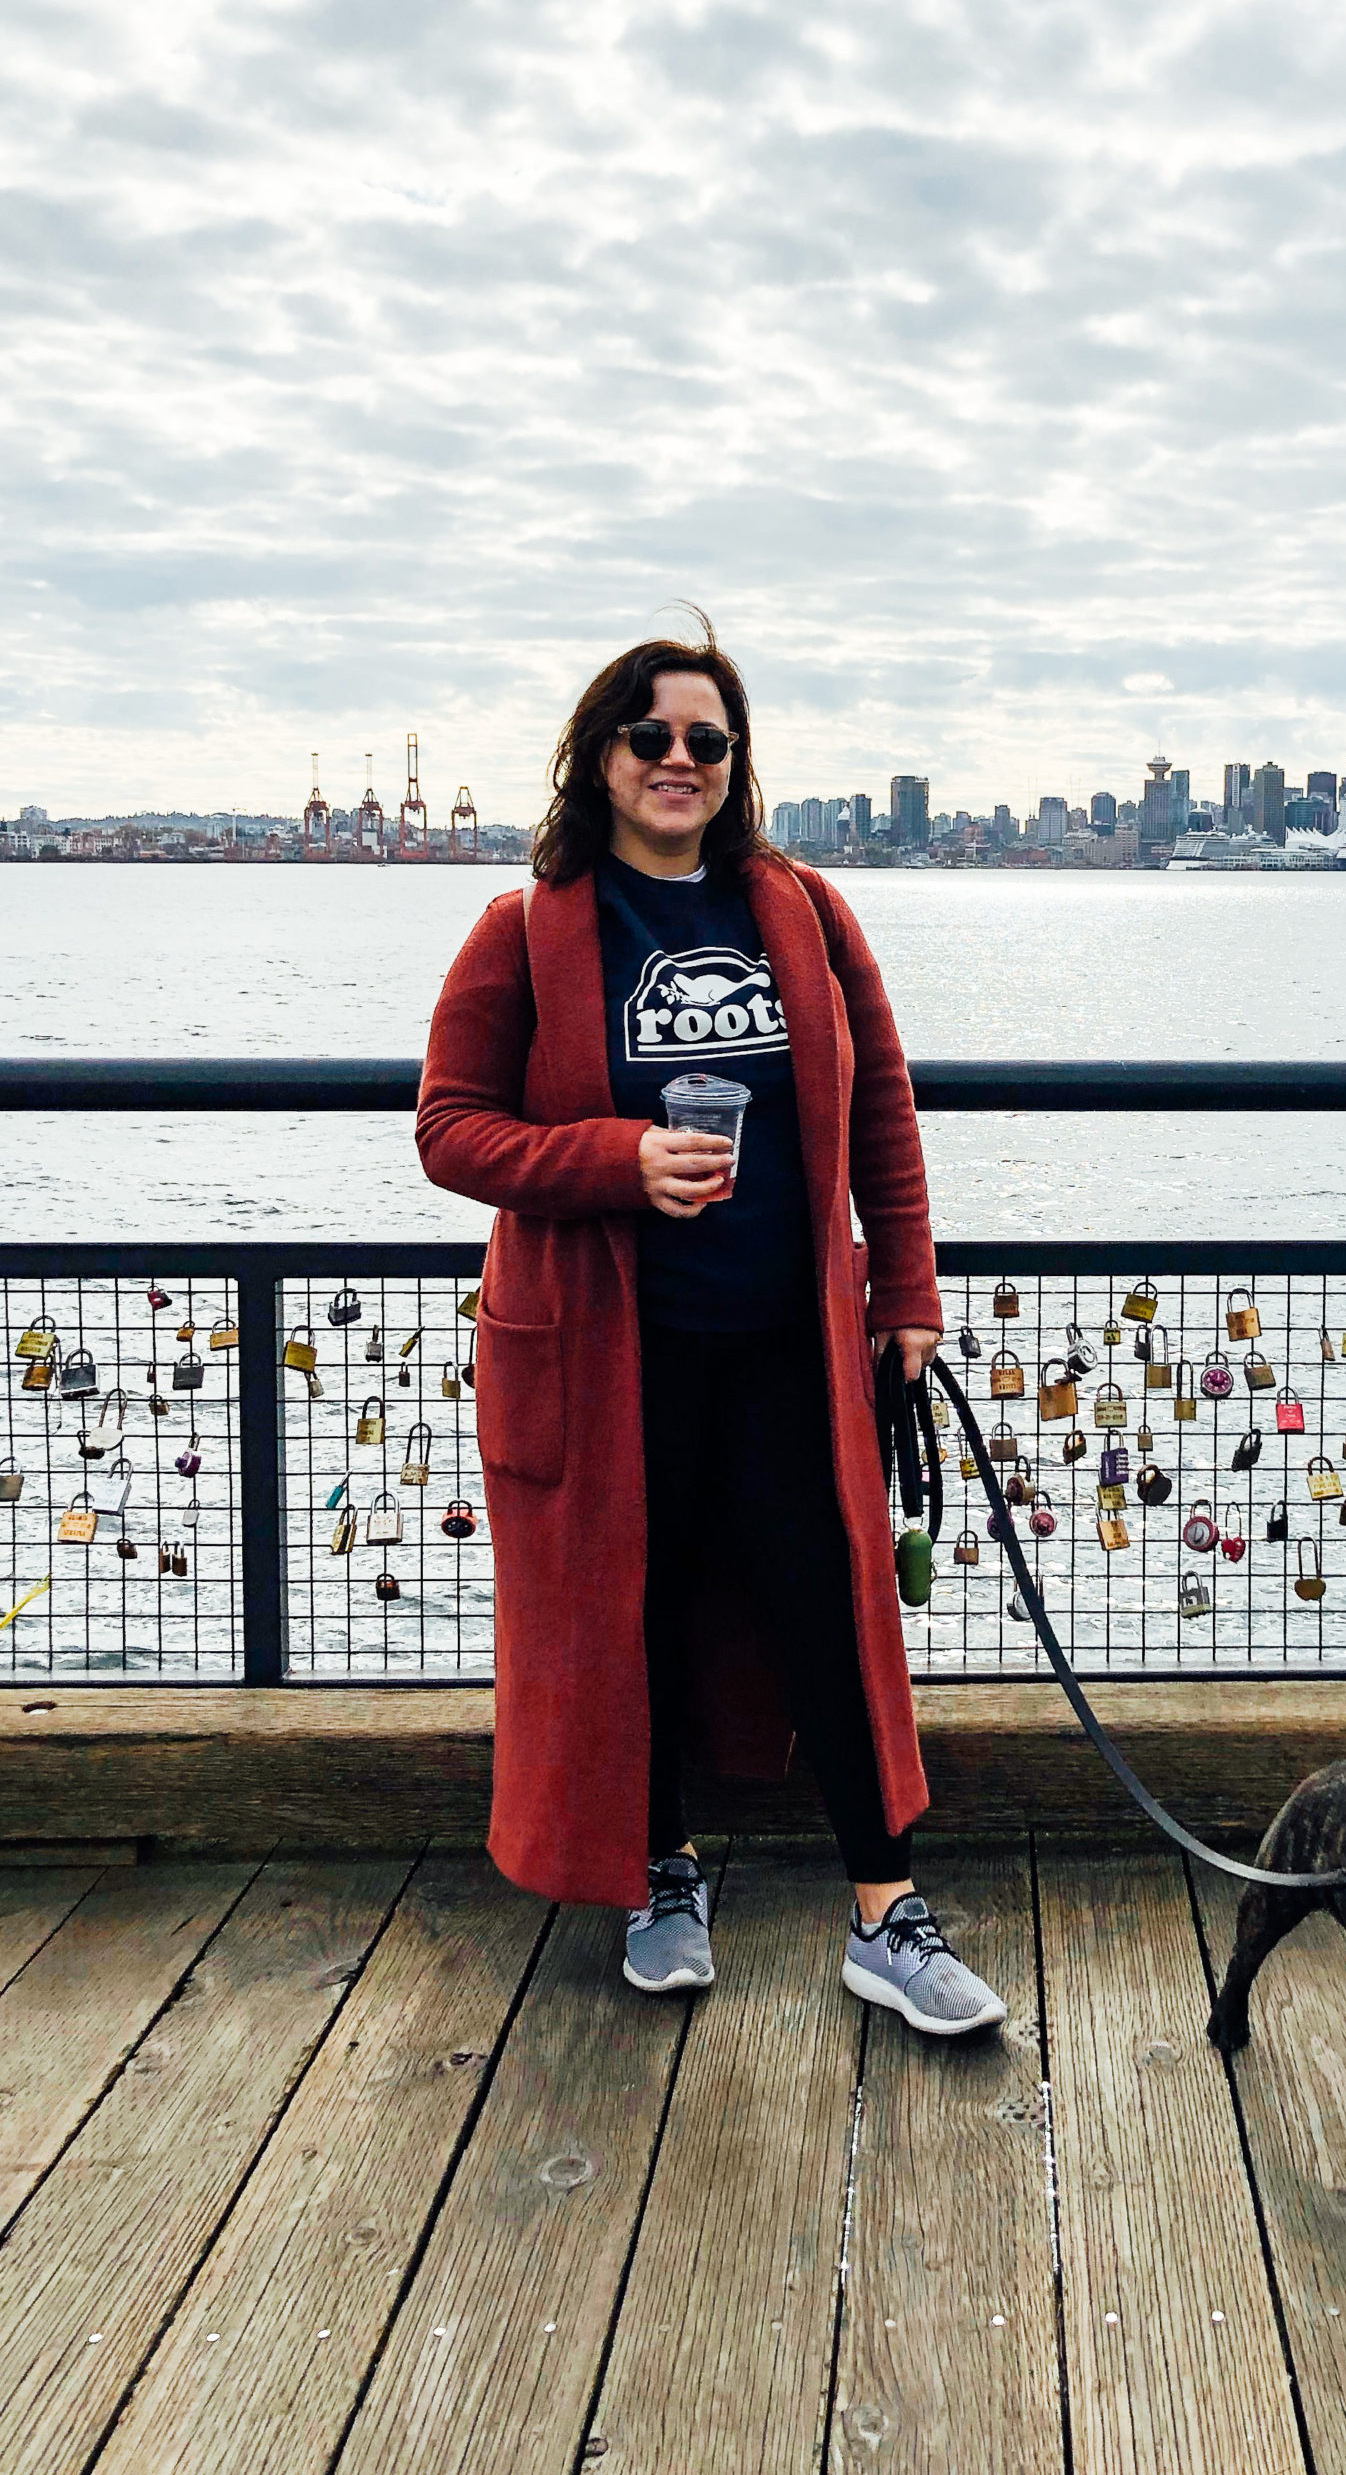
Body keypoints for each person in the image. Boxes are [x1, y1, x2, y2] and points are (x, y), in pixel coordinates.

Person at [415, 615, 1003, 2035]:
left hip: (786, 1349)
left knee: (833, 1611)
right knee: (642, 1608)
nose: (679, 761)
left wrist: (907, 1290)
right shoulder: (529, 931)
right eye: (652, 737)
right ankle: (660, 1873)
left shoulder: (798, 910)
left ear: (735, 768)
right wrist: (617, 1159)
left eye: (708, 743)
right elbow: (451, 1131)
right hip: (613, 1357)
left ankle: (887, 1912)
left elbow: (881, 1112)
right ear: (601, 759)